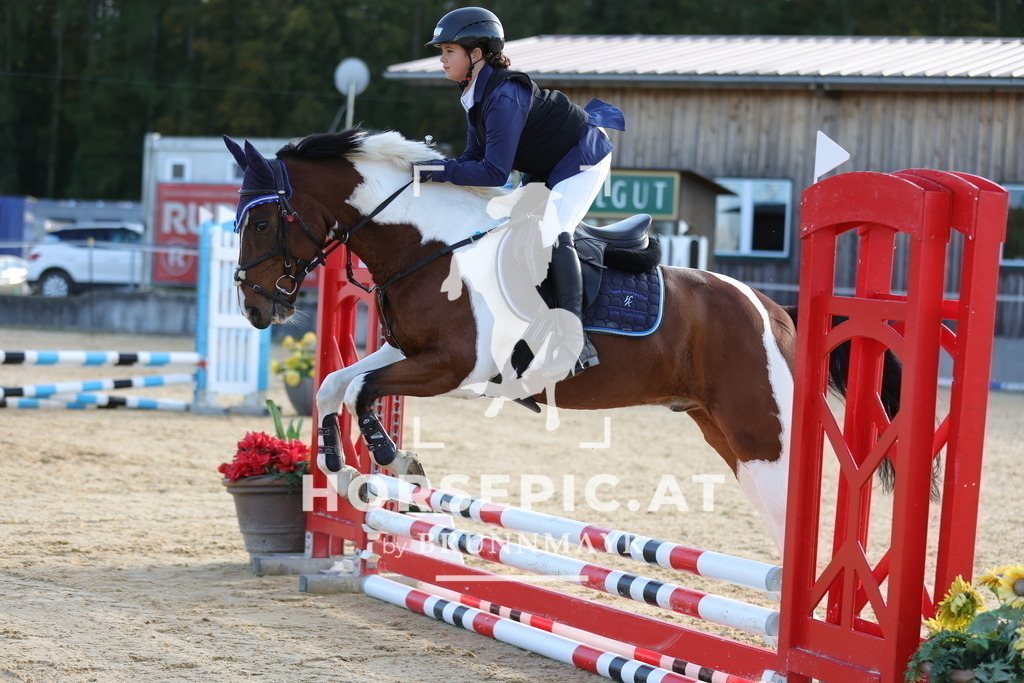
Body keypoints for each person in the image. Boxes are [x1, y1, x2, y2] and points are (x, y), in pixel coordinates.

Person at [419, 6, 625, 378]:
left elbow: (494, 172)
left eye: (449, 50)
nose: (442, 58)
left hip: (582, 158)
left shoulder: (504, 96)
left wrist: (433, 171)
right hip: (546, 166)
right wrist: (434, 170)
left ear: (476, 53)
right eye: (442, 51)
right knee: (509, 231)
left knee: (551, 231)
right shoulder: (473, 94)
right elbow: (471, 158)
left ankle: (572, 340)